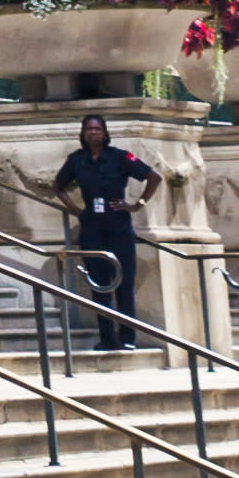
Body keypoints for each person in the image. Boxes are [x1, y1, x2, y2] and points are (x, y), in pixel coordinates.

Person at [49, 114, 153, 345]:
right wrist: (77, 210)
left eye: (97, 129)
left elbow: (153, 177)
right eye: (88, 129)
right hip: (92, 227)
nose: (93, 132)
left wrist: (136, 205)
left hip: (118, 224)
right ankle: (107, 338)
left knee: (124, 283)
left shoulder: (120, 157)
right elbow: (58, 185)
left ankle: (127, 338)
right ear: (83, 133)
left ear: (105, 133)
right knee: (99, 283)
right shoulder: (77, 160)